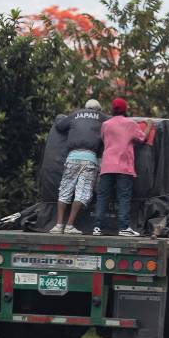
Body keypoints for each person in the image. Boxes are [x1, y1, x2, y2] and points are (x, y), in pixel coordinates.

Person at [93, 98, 153, 236]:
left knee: (102, 196)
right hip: (123, 167)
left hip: (107, 166)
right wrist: (148, 125)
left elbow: (103, 139)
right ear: (125, 109)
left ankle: (97, 227)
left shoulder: (105, 125)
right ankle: (123, 228)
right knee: (123, 197)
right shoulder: (130, 124)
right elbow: (142, 138)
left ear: (112, 110)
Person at [49, 99, 109, 234]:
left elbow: (59, 125)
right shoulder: (102, 117)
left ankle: (58, 225)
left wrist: (59, 117)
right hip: (90, 158)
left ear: (85, 107)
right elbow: (114, 125)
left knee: (65, 190)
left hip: (72, 157)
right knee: (82, 193)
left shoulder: (75, 114)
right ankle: (70, 225)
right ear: (98, 110)